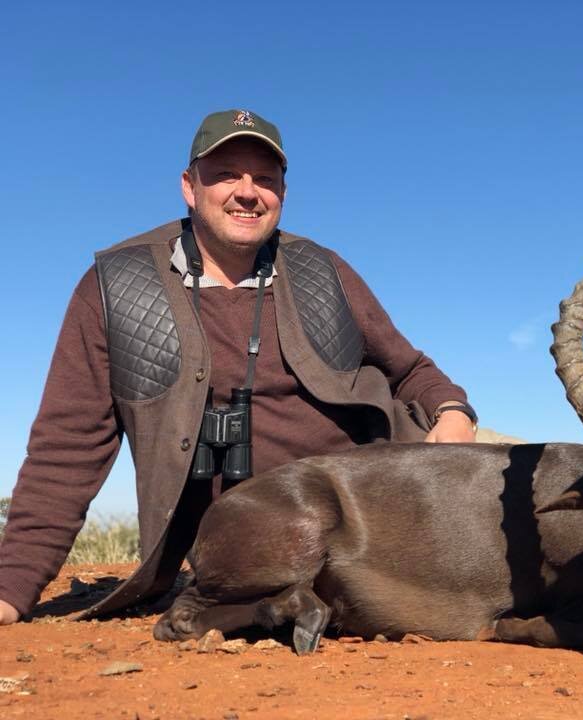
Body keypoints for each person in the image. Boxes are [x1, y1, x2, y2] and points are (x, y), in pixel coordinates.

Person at [0, 109, 476, 624]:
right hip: (249, 544)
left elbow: (410, 370)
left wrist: (454, 412)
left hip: (371, 513)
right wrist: (11, 587)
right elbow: (67, 445)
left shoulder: (324, 271)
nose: (247, 192)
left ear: (282, 197)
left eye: (265, 179)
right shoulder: (115, 287)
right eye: (226, 173)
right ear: (189, 186)